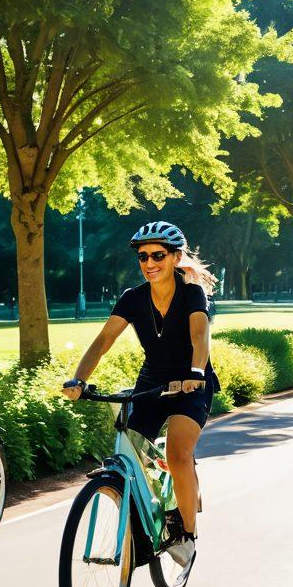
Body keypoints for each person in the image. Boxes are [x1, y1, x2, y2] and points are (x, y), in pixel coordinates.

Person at [63, 221, 217, 568]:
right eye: (144, 256)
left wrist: (194, 374)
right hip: (151, 382)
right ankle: (155, 501)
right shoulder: (132, 298)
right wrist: (78, 378)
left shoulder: (192, 292)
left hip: (191, 383)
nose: (149, 262)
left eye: (158, 255)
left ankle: (186, 534)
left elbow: (199, 335)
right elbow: (103, 341)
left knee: (178, 454)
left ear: (176, 258)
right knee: (130, 449)